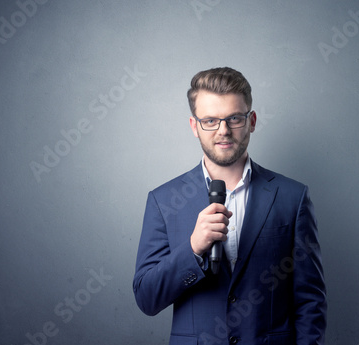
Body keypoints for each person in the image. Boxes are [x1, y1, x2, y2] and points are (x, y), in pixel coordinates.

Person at [133, 67, 327, 344]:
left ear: (252, 121)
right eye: (210, 120)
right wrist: (192, 249)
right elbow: (147, 298)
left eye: (234, 118)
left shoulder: (292, 197)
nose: (223, 131)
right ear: (194, 126)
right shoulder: (163, 201)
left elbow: (310, 302)